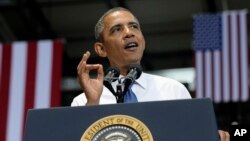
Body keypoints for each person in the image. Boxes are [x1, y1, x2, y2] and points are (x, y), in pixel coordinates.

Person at [71, 7, 230, 141]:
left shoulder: (173, 90)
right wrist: (92, 105)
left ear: (143, 40)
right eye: (117, 29)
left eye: (134, 26)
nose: (129, 33)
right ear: (101, 49)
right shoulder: (83, 102)